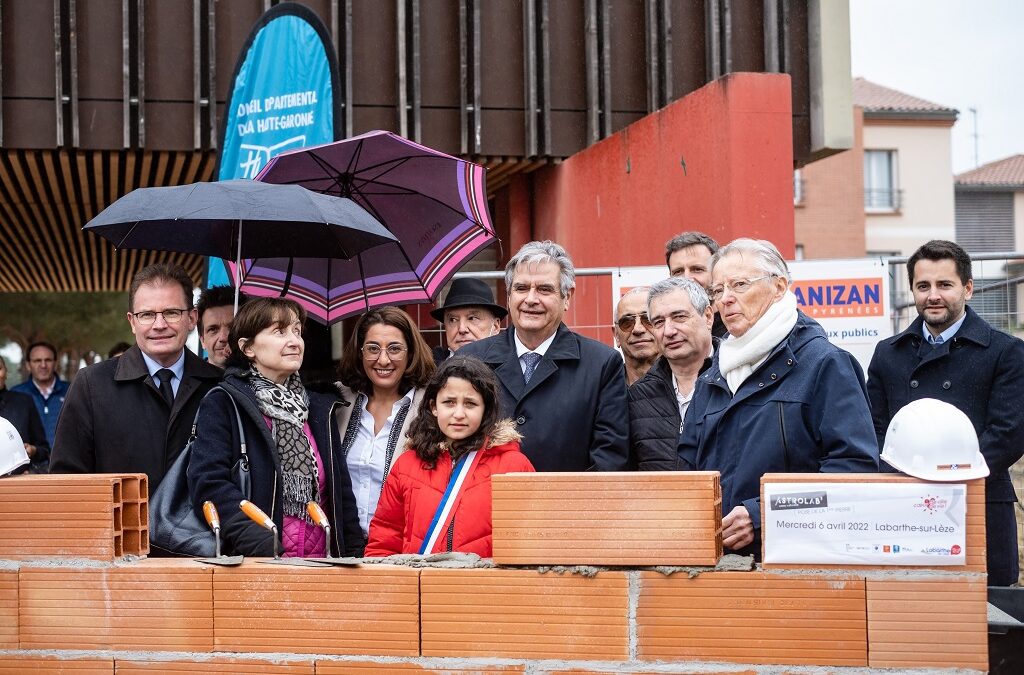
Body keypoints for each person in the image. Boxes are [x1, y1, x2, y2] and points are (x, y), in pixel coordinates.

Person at [677, 238, 878, 557]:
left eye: (739, 285)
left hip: (796, 561)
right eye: (718, 290)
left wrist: (763, 515)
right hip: (715, 564)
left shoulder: (825, 364)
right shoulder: (713, 375)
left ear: (779, 286)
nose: (725, 300)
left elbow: (853, 469)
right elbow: (686, 469)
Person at [866, 239, 1024, 586]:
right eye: (923, 286)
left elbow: (1008, 433)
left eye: (944, 285)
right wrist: (905, 480)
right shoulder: (887, 354)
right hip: (904, 506)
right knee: (915, 612)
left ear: (967, 288)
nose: (932, 295)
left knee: (990, 620)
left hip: (978, 502)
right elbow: (873, 428)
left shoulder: (1006, 352)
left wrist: (945, 478)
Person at [186, 298, 360, 558]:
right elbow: (208, 482)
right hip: (257, 565)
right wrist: (257, 540)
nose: (294, 341)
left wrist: (355, 554)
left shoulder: (319, 407)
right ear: (247, 348)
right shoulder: (225, 402)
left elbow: (341, 494)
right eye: (280, 331)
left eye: (297, 331)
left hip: (324, 568)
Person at [459, 241, 629, 472]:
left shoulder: (602, 364)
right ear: (508, 296)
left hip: (567, 505)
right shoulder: (468, 361)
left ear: (567, 297)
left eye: (544, 289)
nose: (531, 299)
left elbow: (609, 457)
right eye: (521, 288)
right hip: (486, 504)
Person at [50, 264, 222, 491]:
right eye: (147, 315)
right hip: (118, 526)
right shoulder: (91, 385)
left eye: (171, 312)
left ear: (191, 318)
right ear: (132, 322)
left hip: (207, 526)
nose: (159, 325)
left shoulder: (220, 386)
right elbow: (66, 480)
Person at [364, 356, 535, 557]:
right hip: (420, 585)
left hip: (486, 586)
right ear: (434, 407)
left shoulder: (513, 465)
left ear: (486, 409)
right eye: (449, 402)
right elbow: (385, 537)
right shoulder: (406, 465)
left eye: (470, 404)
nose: (459, 413)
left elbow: (530, 541)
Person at [334, 306, 435, 551]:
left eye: (394, 348)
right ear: (359, 353)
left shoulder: (431, 407)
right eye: (372, 348)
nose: (383, 360)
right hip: (341, 548)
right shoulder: (337, 403)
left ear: (410, 353)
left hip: (401, 548)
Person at [628, 277, 715, 471]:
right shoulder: (638, 396)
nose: (668, 331)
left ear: (708, 317)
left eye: (679, 317)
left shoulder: (739, 381)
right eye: (658, 322)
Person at [665, 231, 728, 338]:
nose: (687, 278)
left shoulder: (734, 328)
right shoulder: (665, 331)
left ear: (717, 272)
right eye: (678, 272)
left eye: (697, 269)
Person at [12, 341, 69, 448]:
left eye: (48, 360)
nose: (43, 365)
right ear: (28, 365)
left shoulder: (72, 391)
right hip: (31, 462)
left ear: (56, 363)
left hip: (65, 463)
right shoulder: (16, 394)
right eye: (37, 360)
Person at [0, 355, 49, 472]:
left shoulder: (24, 402)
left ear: (6, 372)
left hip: (18, 483)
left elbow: (44, 450)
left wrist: (33, 450)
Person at [196, 285, 248, 369]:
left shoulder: (268, 379)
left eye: (232, 327)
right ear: (202, 340)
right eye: (213, 329)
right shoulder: (184, 381)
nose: (224, 338)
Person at [614, 287, 658, 385]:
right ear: (616, 335)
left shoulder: (691, 386)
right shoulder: (603, 389)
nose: (638, 329)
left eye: (648, 319)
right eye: (627, 322)